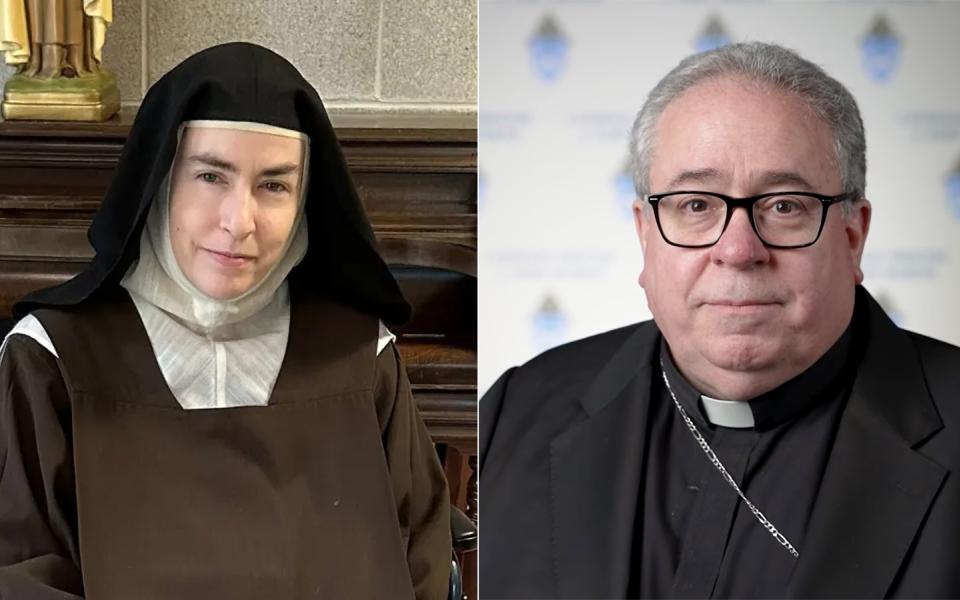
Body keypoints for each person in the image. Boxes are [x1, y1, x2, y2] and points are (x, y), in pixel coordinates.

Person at [480, 42, 960, 598]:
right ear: (644, 234)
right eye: (695, 205)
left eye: (784, 205)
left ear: (852, 237)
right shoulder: (513, 415)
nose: (737, 249)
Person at [0, 42, 451, 599]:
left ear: (305, 198)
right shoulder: (55, 357)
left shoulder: (359, 355)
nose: (240, 221)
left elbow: (423, 553)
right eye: (212, 177)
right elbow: (21, 568)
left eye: (274, 185)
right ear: (161, 180)